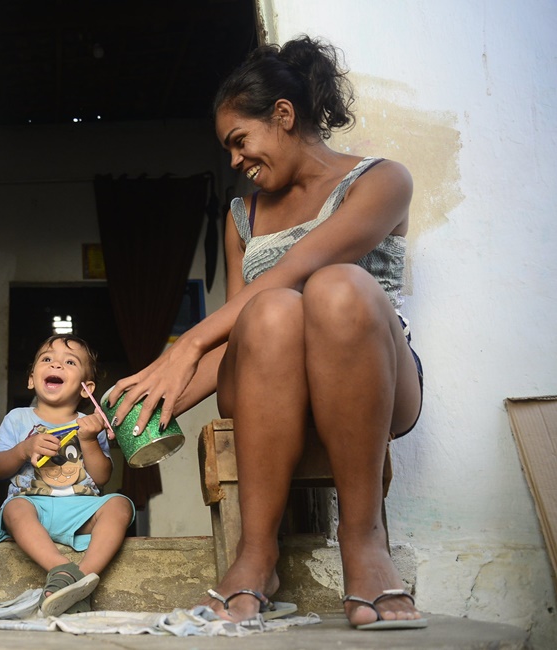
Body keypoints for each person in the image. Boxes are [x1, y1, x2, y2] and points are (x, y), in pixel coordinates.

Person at [106, 36, 426, 630]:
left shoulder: (381, 181)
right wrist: (147, 397)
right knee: (272, 311)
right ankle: (257, 554)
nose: (234, 160)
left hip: (373, 378)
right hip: (266, 385)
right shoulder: (241, 216)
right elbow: (243, 333)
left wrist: (187, 343)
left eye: (239, 141)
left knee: (335, 286)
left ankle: (364, 544)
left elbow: (296, 268)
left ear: (283, 115)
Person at [0, 335, 135, 616]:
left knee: (120, 505)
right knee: (14, 508)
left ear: (86, 388)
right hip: (34, 505)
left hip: (81, 511)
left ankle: (81, 577)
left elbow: (102, 478)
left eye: (69, 362)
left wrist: (90, 440)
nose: (56, 364)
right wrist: (23, 449)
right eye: (47, 359)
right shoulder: (18, 419)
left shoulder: (90, 424)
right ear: (32, 379)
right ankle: (63, 571)